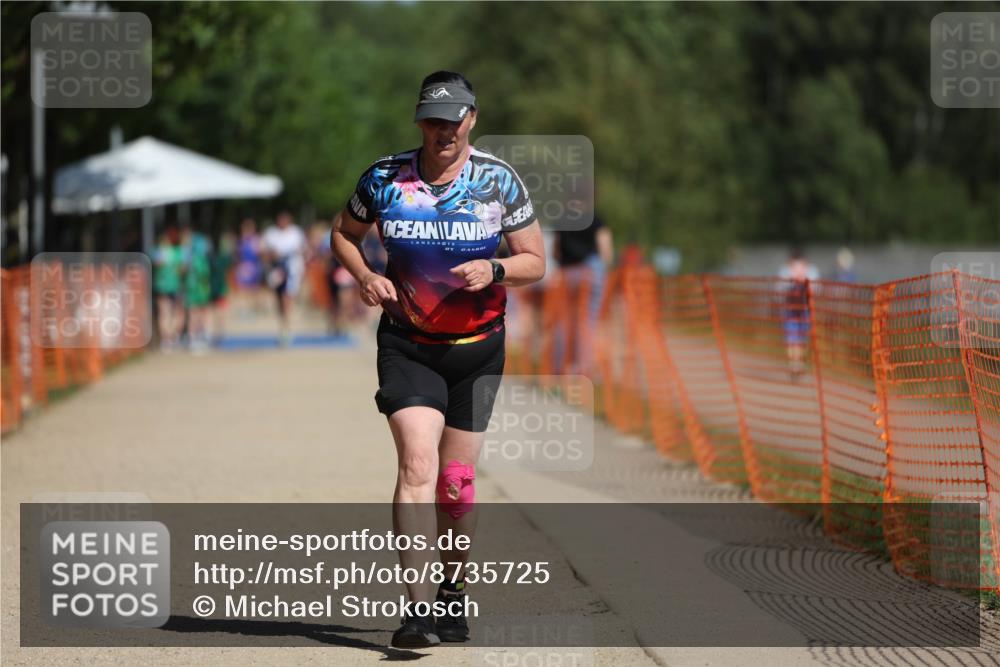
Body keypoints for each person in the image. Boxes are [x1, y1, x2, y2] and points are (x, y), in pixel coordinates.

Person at [331, 70, 545, 648]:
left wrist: (496, 269)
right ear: (419, 120)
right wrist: (366, 275)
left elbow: (535, 260)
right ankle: (418, 611)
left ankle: (452, 595)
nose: (441, 131)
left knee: (455, 484)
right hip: (408, 346)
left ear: (472, 118)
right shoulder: (383, 177)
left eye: (452, 121)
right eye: (431, 120)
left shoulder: (498, 181)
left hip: (477, 350)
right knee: (417, 467)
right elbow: (343, 233)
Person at [553, 214, 613, 375]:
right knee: (587, 321)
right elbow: (605, 250)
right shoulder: (595, 219)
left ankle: (560, 366)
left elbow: (556, 251)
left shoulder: (562, 219)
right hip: (590, 273)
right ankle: (583, 368)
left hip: (566, 274)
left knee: (563, 321)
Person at [261, 211, 308, 345]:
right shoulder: (271, 234)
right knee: (279, 300)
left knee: (287, 298)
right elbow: (262, 252)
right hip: (276, 271)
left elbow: (304, 250)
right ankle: (283, 324)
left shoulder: (296, 233)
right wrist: (272, 255)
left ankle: (285, 330)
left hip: (292, 271)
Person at [779, 247, 820, 378]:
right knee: (797, 339)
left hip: (798, 310)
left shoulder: (786, 271)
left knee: (795, 339)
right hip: (797, 310)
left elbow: (779, 290)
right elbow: (817, 289)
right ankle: (796, 365)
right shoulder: (810, 270)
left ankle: (795, 364)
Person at [152, 225, 185, 352]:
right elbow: (182, 269)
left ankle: (166, 339)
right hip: (174, 286)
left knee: (164, 313)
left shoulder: (157, 252)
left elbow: (156, 265)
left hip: (162, 286)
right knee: (176, 312)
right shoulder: (177, 252)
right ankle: (172, 337)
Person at [234, 218, 264, 316]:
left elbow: (259, 253)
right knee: (243, 290)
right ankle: (245, 310)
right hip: (244, 267)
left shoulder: (256, 240)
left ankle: (255, 310)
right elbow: (238, 255)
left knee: (254, 290)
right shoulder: (241, 240)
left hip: (253, 266)